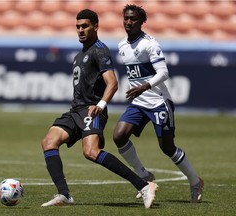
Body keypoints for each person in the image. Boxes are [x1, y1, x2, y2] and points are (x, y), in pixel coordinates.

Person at [40, 9, 158, 209]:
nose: (80, 30)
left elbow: (112, 83)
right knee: (49, 142)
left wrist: (101, 105)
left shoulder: (99, 50)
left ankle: (144, 185)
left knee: (91, 152)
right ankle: (64, 194)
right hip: (75, 110)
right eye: (77, 26)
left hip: (91, 109)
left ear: (96, 26)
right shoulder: (80, 55)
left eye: (85, 26)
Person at [113, 4, 204, 203]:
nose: (128, 22)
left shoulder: (150, 44)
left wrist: (144, 86)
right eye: (126, 18)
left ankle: (195, 181)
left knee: (167, 147)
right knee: (119, 136)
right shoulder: (122, 46)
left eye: (133, 19)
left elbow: (163, 73)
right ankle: (144, 176)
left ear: (141, 21)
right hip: (139, 103)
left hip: (158, 103)